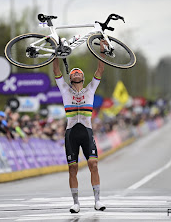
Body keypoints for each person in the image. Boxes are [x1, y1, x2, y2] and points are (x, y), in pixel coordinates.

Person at [52, 40, 107, 213]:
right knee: (73, 168)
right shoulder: (64, 90)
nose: (75, 73)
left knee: (94, 165)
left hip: (86, 131)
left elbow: (100, 70)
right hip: (71, 133)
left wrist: (102, 50)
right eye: (73, 72)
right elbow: (56, 71)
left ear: (82, 77)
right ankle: (76, 203)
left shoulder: (90, 89)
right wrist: (56, 53)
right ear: (70, 78)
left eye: (79, 72)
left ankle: (97, 201)